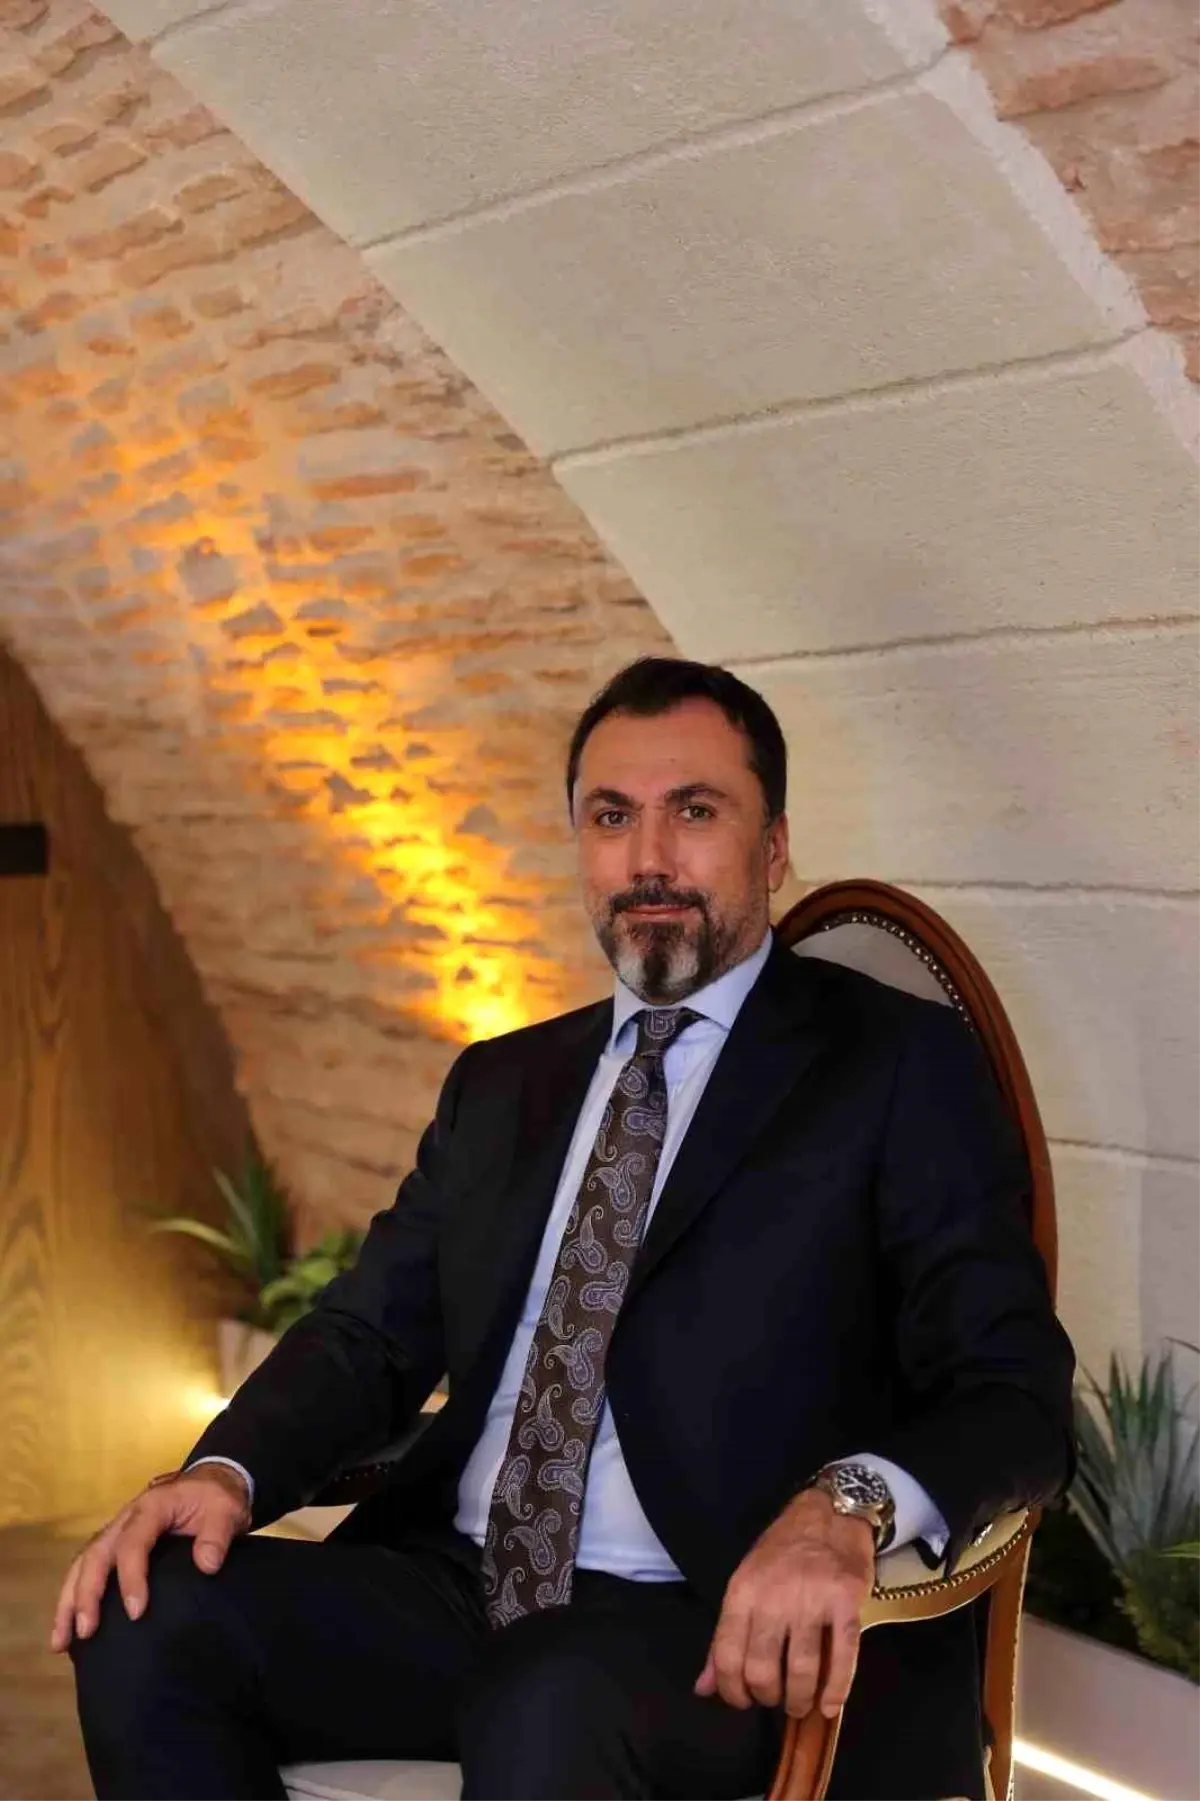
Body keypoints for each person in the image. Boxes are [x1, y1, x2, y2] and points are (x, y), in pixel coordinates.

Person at [57, 657, 1075, 1801]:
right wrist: (227, 1471)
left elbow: (1016, 1391)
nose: (649, 858)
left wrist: (846, 1505)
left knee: (546, 1698)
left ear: (774, 848)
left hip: (720, 1625)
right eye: (611, 817)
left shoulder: (895, 1066)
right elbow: (368, 1333)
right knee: (144, 1612)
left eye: (695, 811)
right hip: (463, 1590)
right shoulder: (503, 1083)